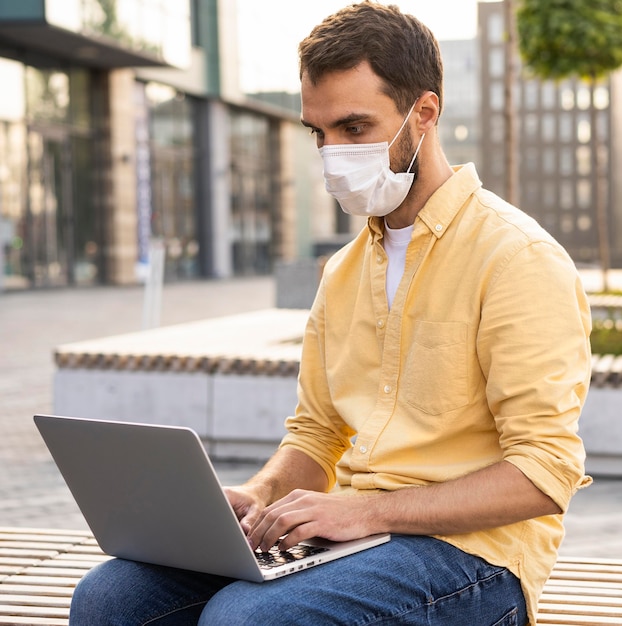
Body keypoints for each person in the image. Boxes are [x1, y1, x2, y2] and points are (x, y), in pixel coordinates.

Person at [69, 2, 592, 625]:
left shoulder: (517, 258)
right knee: (111, 598)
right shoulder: (343, 271)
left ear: (423, 114)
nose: (331, 151)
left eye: (353, 127)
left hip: (474, 561)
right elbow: (317, 434)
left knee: (246, 620)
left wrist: (367, 512)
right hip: (354, 538)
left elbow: (543, 473)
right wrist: (255, 498)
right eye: (318, 133)